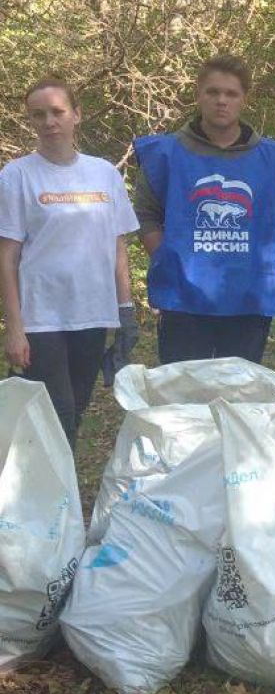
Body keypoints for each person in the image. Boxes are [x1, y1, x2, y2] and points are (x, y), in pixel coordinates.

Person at [0, 77, 139, 447]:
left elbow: (117, 246)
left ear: (77, 115)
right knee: (55, 411)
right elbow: (8, 255)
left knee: (75, 408)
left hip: (93, 312)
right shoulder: (16, 175)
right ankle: (59, 499)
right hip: (41, 317)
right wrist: (14, 326)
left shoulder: (104, 173)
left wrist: (125, 309)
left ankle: (52, 492)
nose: (49, 121)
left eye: (58, 112)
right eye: (38, 115)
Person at [133, 54, 275, 365]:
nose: (222, 101)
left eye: (231, 93)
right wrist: (166, 257)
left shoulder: (271, 159)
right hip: (184, 298)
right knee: (182, 395)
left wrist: (273, 257)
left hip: (248, 298)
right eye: (213, 92)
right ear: (199, 95)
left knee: (237, 395)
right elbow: (145, 212)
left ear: (244, 100)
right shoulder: (164, 154)